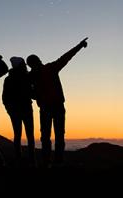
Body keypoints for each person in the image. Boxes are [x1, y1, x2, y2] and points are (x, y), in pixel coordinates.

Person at [27, 38, 88, 167]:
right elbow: (66, 57)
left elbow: (30, 94)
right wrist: (79, 46)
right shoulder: (50, 68)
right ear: (38, 60)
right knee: (59, 135)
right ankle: (58, 161)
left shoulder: (31, 77)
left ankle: (46, 161)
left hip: (45, 109)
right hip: (57, 107)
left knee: (46, 137)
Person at [2, 56, 36, 166]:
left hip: (15, 111)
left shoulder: (8, 79)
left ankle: (18, 159)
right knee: (30, 135)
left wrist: (9, 110)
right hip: (26, 109)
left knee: (17, 135)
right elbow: (32, 93)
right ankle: (32, 160)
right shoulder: (26, 77)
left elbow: (4, 98)